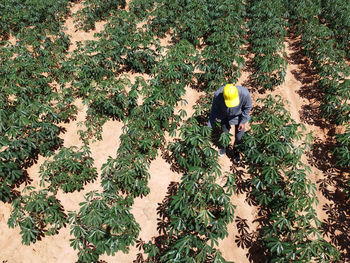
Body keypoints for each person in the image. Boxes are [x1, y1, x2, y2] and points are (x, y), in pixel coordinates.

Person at [207, 84, 252, 163]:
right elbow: (213, 111)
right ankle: (224, 147)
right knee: (224, 133)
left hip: (239, 116)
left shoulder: (244, 94)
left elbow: (247, 108)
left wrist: (243, 121)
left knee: (239, 136)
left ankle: (236, 151)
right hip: (224, 115)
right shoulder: (218, 95)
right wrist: (208, 127)